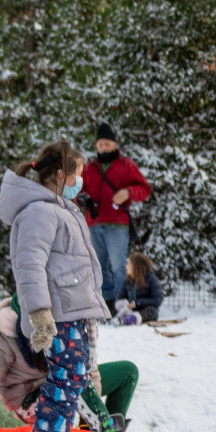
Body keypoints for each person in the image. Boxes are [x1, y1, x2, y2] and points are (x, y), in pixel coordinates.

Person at [0, 143, 108, 432]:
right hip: (56, 312)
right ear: (61, 175)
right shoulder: (40, 211)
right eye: (77, 173)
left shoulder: (60, 209)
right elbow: (29, 264)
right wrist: (39, 312)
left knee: (75, 372)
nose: (80, 181)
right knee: (67, 371)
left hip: (71, 308)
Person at [0, 299, 151, 432]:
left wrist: (91, 409)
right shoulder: (5, 330)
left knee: (127, 372)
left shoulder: (69, 316)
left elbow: (89, 369)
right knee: (73, 375)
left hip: (68, 386)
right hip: (30, 399)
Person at [78, 123, 152, 310]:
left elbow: (144, 190)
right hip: (93, 224)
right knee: (99, 267)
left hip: (117, 224)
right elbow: (78, 191)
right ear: (96, 146)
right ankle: (107, 302)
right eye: (100, 144)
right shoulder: (89, 168)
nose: (103, 148)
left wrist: (128, 192)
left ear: (115, 144)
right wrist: (83, 199)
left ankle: (121, 303)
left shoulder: (126, 165)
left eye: (107, 144)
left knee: (120, 267)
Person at [122, 252, 165, 323]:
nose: (126, 266)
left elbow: (158, 300)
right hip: (132, 310)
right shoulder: (128, 281)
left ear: (136, 267)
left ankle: (132, 319)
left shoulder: (151, 279)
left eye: (129, 264)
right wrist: (124, 304)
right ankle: (116, 319)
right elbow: (121, 297)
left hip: (146, 311)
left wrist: (137, 303)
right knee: (116, 308)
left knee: (151, 310)